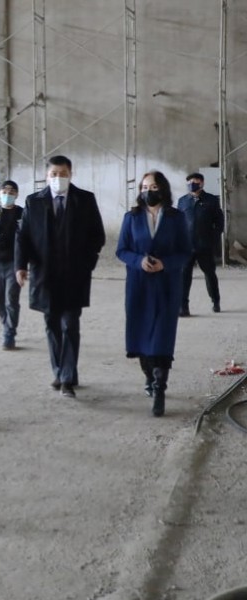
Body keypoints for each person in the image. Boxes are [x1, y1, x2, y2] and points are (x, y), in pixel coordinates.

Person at [15, 156, 105, 398]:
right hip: (45, 276)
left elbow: (97, 235)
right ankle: (60, 371)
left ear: (71, 174)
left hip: (75, 275)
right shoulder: (34, 201)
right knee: (52, 325)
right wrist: (20, 266)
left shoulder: (85, 200)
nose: (58, 178)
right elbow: (23, 236)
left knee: (70, 325)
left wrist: (87, 264)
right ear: (46, 176)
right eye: (53, 174)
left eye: (63, 173)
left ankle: (66, 379)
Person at [115, 171, 191, 417]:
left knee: (162, 337)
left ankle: (160, 388)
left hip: (167, 286)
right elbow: (121, 250)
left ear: (163, 189)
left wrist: (165, 264)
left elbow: (185, 251)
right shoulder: (131, 217)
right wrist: (139, 261)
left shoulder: (176, 217)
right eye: (145, 187)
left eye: (154, 186)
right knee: (141, 336)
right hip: (139, 286)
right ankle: (148, 376)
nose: (149, 191)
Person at [177, 172, 224, 316]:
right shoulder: (182, 201)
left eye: (195, 182)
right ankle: (183, 307)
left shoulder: (211, 200)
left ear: (202, 183)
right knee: (184, 277)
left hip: (205, 245)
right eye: (190, 182)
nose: (192, 184)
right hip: (187, 246)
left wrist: (213, 239)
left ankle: (215, 301)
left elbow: (219, 222)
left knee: (210, 274)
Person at [0, 180, 24, 350]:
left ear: (16, 194)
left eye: (11, 192)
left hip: (14, 263)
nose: (8, 195)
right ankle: (6, 324)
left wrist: (24, 264)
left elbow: (27, 237)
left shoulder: (22, 213)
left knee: (11, 299)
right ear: (0, 193)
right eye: (5, 192)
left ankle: (9, 334)